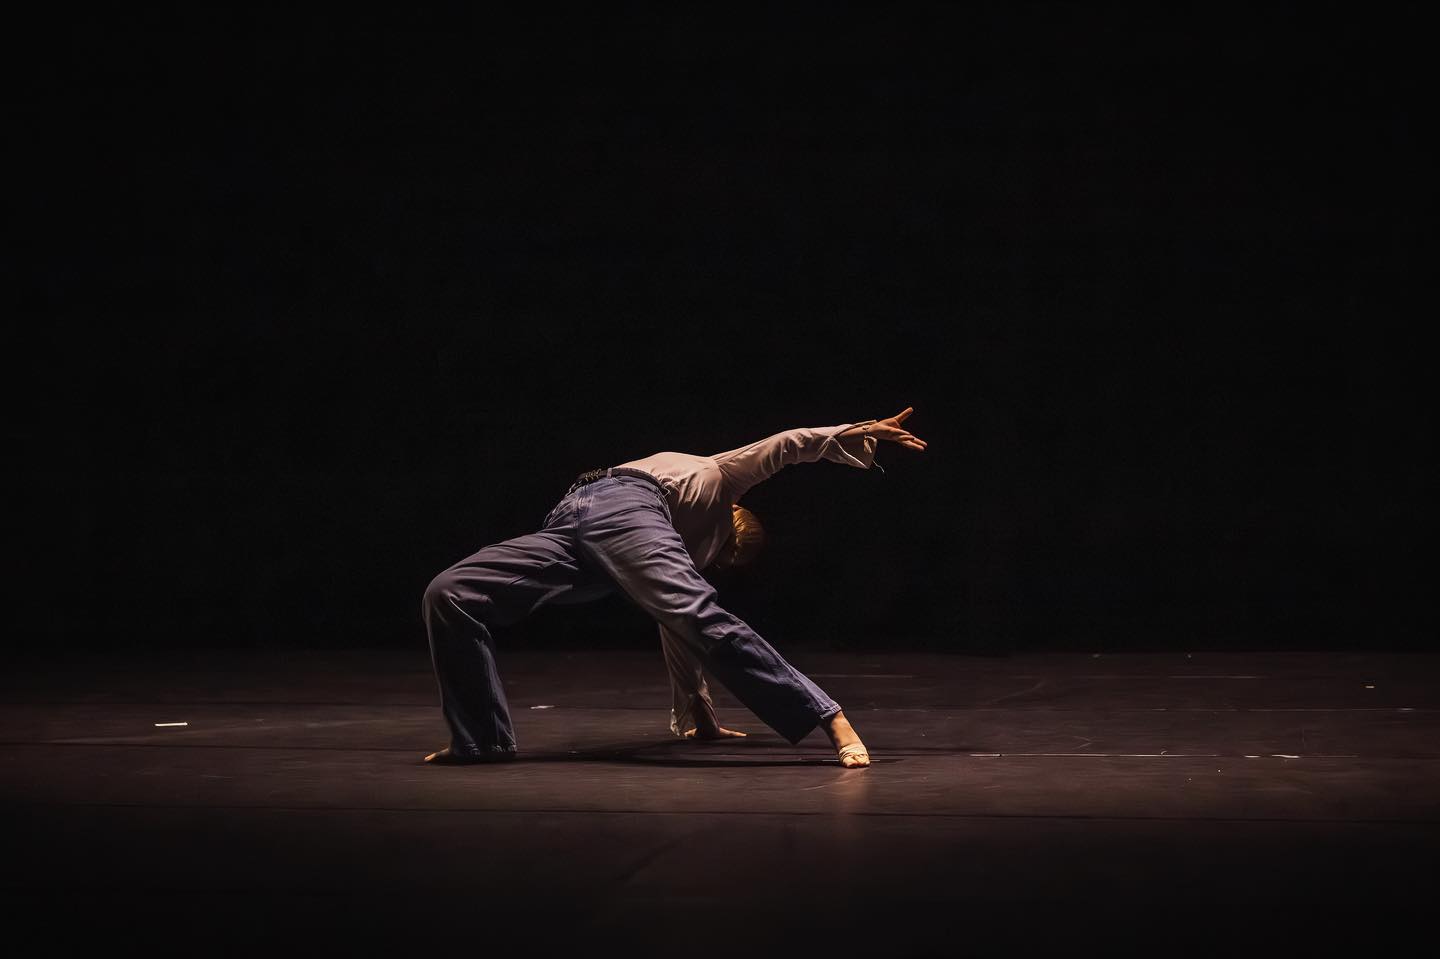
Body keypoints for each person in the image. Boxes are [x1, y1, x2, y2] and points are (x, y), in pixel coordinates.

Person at [420, 407, 928, 768]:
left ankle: (827, 715)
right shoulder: (718, 478)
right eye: (728, 550)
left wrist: (699, 715)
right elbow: (784, 446)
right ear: (732, 524)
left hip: (594, 531)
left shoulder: (675, 548)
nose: (720, 559)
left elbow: (680, 622)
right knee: (451, 594)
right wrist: (853, 431)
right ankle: (481, 740)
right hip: (610, 505)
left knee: (692, 611)